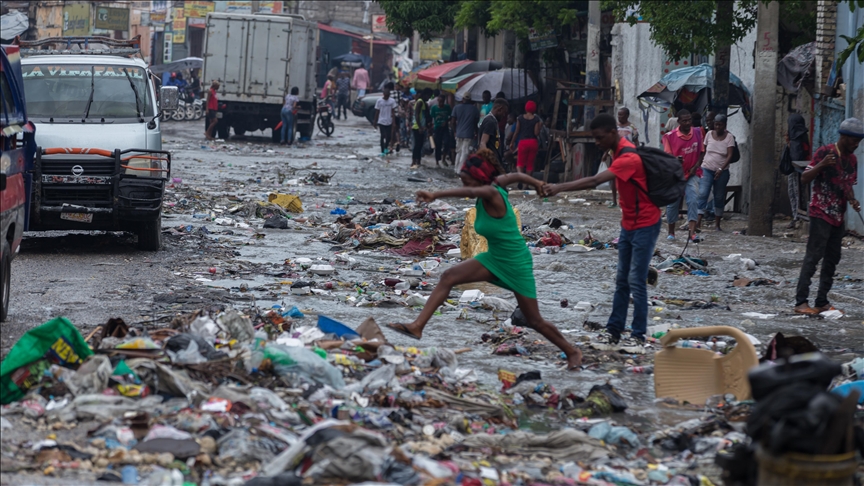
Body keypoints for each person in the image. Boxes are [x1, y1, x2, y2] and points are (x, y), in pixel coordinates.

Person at [386, 149, 583, 370]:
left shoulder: (491, 192)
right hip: (495, 257)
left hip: (515, 261)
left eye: (466, 177)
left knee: (534, 320)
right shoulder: (497, 183)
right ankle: (417, 326)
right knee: (448, 276)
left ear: (479, 177)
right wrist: (537, 183)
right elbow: (517, 176)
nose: (463, 181)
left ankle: (572, 351)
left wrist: (435, 195)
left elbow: (468, 190)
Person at [544, 114, 661, 353]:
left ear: (611, 133)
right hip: (629, 225)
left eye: (598, 138)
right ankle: (614, 333)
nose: (596, 142)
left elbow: (595, 181)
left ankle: (638, 336)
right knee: (621, 281)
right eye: (593, 138)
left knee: (636, 281)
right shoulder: (616, 153)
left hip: (646, 224)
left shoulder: (627, 155)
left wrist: (559, 187)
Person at [793, 118, 862, 315]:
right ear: (843, 137)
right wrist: (821, 164)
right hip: (820, 213)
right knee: (813, 257)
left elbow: (847, 184)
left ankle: (822, 300)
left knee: (832, 259)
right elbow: (805, 178)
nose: (856, 144)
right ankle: (800, 302)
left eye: (859, 141)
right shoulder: (825, 152)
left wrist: (852, 200)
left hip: (838, 215)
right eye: (853, 140)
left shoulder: (852, 160)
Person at [661, 109, 704, 241]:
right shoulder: (669, 136)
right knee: (673, 203)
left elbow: (702, 152)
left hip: (693, 174)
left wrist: (695, 167)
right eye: (684, 121)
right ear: (678, 122)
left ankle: (691, 233)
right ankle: (671, 232)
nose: (687, 123)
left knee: (693, 200)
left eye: (689, 120)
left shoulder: (697, 132)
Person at [695, 114, 735, 231]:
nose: (717, 127)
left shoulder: (729, 137)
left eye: (720, 124)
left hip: (722, 171)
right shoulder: (708, 134)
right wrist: (698, 164)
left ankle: (717, 224)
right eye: (716, 124)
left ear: (724, 125)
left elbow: (730, 155)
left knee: (718, 196)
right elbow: (704, 150)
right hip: (707, 168)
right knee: (703, 193)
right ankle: (698, 222)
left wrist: (721, 169)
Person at [785, 113, 811, 229]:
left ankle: (796, 217)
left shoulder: (796, 136)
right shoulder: (801, 134)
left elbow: (796, 154)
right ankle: (795, 216)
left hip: (798, 168)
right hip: (799, 167)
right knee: (794, 192)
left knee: (795, 192)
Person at [511, 101, 542, 176]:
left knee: (520, 163)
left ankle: (521, 179)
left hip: (523, 143)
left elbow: (517, 131)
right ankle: (527, 185)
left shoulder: (520, 118)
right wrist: (540, 126)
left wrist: (512, 142)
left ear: (526, 108)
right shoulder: (536, 119)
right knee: (530, 164)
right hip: (533, 142)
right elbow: (536, 133)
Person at [450, 94, 479, 173]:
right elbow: (475, 123)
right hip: (468, 134)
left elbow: (453, 121)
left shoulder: (456, 108)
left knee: (458, 152)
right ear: (471, 100)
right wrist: (476, 132)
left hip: (458, 133)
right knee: (465, 152)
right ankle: (460, 170)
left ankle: (456, 169)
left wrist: (455, 131)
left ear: (463, 99)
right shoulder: (474, 109)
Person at [479, 98, 509, 164]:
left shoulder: (493, 121)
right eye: (504, 113)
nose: (504, 116)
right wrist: (488, 159)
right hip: (491, 162)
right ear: (499, 109)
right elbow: (483, 142)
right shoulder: (490, 121)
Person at [411, 88, 433, 169]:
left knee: (420, 145)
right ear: (425, 94)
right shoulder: (420, 102)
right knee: (417, 145)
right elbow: (416, 115)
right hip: (417, 127)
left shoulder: (424, 103)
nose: (428, 97)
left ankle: (418, 161)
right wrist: (420, 127)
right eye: (428, 96)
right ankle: (414, 161)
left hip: (422, 127)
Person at [373, 87, 398, 157]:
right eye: (385, 96)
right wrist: (375, 122)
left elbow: (393, 112)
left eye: (388, 96)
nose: (387, 97)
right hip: (381, 121)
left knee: (389, 136)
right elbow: (377, 112)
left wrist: (394, 122)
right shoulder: (379, 101)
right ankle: (382, 150)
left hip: (389, 121)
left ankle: (386, 147)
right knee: (383, 135)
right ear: (383, 94)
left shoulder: (392, 101)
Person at [431, 93, 452, 167]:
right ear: (437, 101)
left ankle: (443, 158)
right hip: (437, 128)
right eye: (439, 102)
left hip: (445, 128)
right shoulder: (434, 108)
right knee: (438, 145)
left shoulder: (447, 107)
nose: (441, 103)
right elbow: (432, 118)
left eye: (442, 102)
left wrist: (446, 121)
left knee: (447, 142)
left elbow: (451, 116)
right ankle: (437, 161)